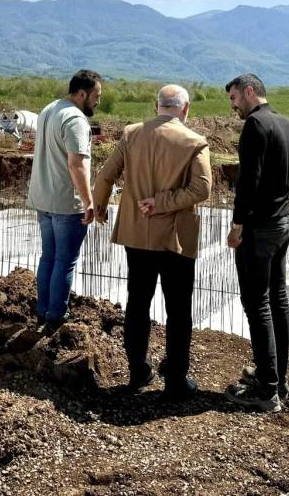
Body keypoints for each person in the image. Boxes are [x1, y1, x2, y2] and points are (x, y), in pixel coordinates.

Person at [93, 85, 211, 401]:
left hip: (137, 235)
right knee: (178, 308)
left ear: (156, 105)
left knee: (138, 302)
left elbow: (105, 176)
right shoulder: (194, 143)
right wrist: (163, 202)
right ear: (185, 109)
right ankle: (175, 379)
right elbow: (202, 190)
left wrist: (100, 206)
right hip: (175, 240)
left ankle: (137, 370)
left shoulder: (131, 134)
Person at [222, 72, 289, 412]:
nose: (234, 108)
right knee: (278, 297)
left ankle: (267, 390)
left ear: (250, 92)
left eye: (235, 99)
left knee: (258, 304)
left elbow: (248, 182)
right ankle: (277, 377)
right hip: (285, 221)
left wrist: (238, 225)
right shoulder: (287, 124)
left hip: (261, 228)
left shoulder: (255, 126)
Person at [27, 69, 103, 330]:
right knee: (65, 260)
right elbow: (77, 165)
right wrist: (88, 200)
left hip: (42, 198)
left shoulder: (49, 110)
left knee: (48, 257)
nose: (97, 101)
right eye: (96, 95)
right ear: (82, 94)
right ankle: (56, 315)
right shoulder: (76, 120)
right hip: (65, 202)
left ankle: (42, 309)